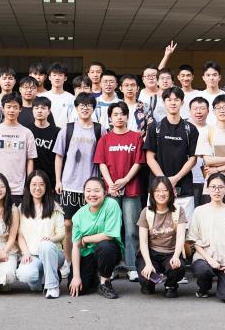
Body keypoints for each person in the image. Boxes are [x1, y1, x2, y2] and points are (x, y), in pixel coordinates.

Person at [95, 101, 145, 282]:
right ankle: (113, 266)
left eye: (122, 114)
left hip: (132, 188)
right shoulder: (105, 139)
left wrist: (125, 180)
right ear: (110, 118)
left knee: (132, 230)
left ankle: (132, 266)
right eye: (115, 114)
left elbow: (138, 162)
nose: (119, 117)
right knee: (112, 230)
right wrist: (110, 184)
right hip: (111, 191)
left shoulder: (136, 137)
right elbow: (101, 163)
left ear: (127, 117)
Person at [54, 92, 104, 275]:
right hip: (68, 185)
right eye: (81, 105)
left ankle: (87, 263)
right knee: (68, 224)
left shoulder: (99, 130)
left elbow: (103, 158)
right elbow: (59, 156)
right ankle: (68, 262)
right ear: (76, 108)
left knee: (90, 227)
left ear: (93, 109)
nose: (85, 108)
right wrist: (58, 180)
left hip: (90, 188)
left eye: (89, 105)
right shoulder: (67, 129)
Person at [188, 173, 225, 303]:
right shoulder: (199, 211)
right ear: (207, 189)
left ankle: (224, 284)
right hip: (204, 259)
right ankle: (204, 288)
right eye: (213, 187)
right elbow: (194, 240)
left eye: (221, 187)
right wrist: (209, 260)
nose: (217, 190)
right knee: (203, 270)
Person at [145, 87, 199, 219]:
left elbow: (193, 159)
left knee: (185, 227)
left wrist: (176, 178)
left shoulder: (190, 129)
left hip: (184, 188)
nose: (173, 102)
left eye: (176, 99)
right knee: (155, 226)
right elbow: (150, 158)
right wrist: (164, 180)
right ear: (164, 102)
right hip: (157, 188)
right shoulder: (154, 128)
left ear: (182, 102)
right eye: (169, 100)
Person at [69, 177, 123, 299]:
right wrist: (76, 276)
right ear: (84, 193)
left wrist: (86, 239)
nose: (92, 194)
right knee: (78, 289)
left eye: (97, 191)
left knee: (105, 245)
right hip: (87, 253)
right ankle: (93, 277)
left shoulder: (111, 205)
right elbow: (76, 246)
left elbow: (109, 234)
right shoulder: (78, 215)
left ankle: (105, 282)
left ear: (105, 192)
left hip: (108, 251)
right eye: (88, 191)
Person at [15, 171, 65, 298]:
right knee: (26, 275)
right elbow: (20, 235)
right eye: (34, 184)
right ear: (28, 187)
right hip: (32, 255)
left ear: (46, 186)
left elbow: (62, 233)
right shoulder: (22, 208)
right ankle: (45, 278)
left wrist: (51, 238)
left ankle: (52, 287)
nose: (37, 188)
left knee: (45, 245)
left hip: (53, 253)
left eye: (41, 184)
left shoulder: (54, 207)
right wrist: (26, 252)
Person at [0, 93, 37, 203]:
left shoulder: (27, 133)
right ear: (2, 109)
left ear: (20, 109)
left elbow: (29, 160)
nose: (11, 110)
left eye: (15, 107)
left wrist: (28, 183)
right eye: (8, 107)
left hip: (18, 189)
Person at [136, 176, 188, 297]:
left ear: (170, 192)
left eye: (165, 190)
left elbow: (181, 237)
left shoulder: (178, 211)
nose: (161, 194)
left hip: (170, 253)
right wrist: (148, 264)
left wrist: (176, 256)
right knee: (146, 281)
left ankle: (171, 285)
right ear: (152, 193)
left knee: (177, 267)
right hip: (151, 253)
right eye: (157, 191)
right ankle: (149, 284)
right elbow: (143, 242)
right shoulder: (146, 212)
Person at [26, 96, 60, 186]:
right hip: (31, 177)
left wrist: (58, 180)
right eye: (36, 108)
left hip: (50, 178)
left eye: (43, 108)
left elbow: (59, 157)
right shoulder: (26, 130)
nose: (39, 111)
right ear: (32, 110)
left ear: (49, 111)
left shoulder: (57, 132)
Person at [40, 62, 75, 128]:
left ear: (65, 78)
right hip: (46, 132)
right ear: (49, 77)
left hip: (65, 132)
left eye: (60, 75)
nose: (57, 78)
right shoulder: (41, 97)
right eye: (54, 75)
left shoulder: (72, 98)